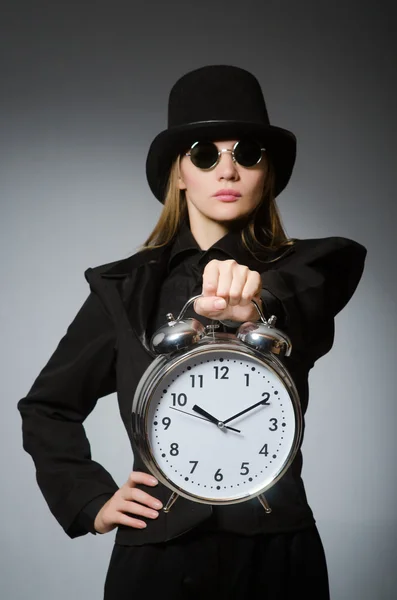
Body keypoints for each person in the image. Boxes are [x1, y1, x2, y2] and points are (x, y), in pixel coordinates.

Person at [17, 64, 367, 599]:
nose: (227, 170)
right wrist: (89, 499)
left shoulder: (308, 270)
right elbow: (47, 407)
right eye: (206, 154)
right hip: (157, 556)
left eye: (246, 153)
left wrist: (257, 303)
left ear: (265, 171)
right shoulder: (124, 289)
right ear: (180, 173)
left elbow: (314, 291)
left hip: (275, 553)